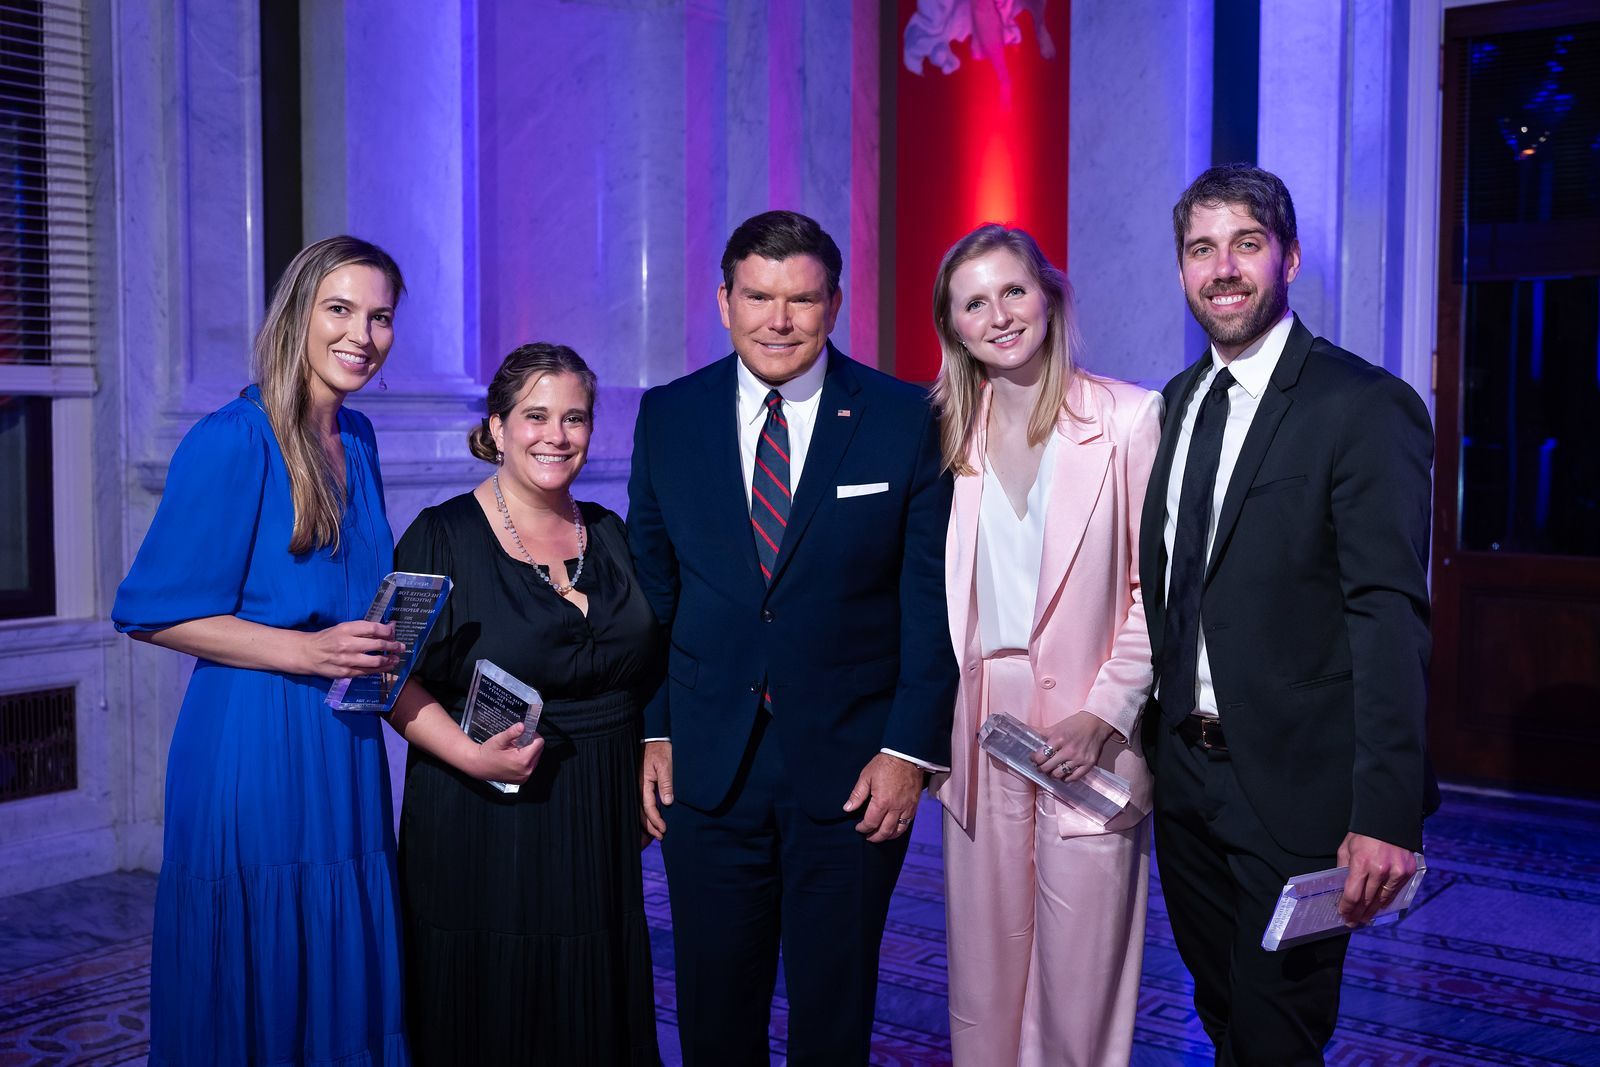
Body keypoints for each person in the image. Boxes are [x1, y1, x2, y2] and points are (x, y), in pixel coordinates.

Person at [628, 209, 958, 1064]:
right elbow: (651, 593)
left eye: (802, 299)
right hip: (706, 765)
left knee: (834, 1011)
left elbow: (930, 603)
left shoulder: (903, 417)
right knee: (713, 1008)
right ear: (724, 300)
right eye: (759, 297)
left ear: (835, 304)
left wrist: (908, 750)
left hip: (854, 771)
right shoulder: (669, 416)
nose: (779, 319)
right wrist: (654, 726)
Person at [1142, 164, 1436, 1065]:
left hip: (1300, 791)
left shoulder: (1362, 405)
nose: (1222, 268)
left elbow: (1387, 613)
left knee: (1278, 1036)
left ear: (1290, 258)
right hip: (1184, 782)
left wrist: (1387, 810)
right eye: (1201, 249)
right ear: (1183, 269)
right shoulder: (1178, 404)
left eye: (1246, 244)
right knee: (1224, 1012)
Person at [112, 235, 414, 1064]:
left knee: (337, 954)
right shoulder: (234, 438)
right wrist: (305, 653)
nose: (362, 333)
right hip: (252, 741)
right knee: (258, 958)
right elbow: (151, 612)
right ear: (297, 317)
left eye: (380, 316)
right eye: (341, 309)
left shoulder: (358, 440)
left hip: (342, 744)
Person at [386, 343, 661, 1065]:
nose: (556, 435)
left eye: (574, 417)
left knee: (591, 1002)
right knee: (495, 1009)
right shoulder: (439, 535)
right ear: (498, 426)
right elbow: (385, 677)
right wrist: (469, 754)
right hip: (483, 814)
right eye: (535, 415)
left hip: (598, 809)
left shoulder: (609, 531)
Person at [928, 224, 1161, 1066]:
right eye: (975, 302)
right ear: (953, 325)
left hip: (1088, 726)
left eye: (1014, 290)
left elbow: (1157, 593)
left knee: (1082, 977)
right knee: (984, 980)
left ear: (1051, 295)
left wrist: (1105, 713)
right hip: (981, 720)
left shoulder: (1132, 418)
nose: (999, 315)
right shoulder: (944, 435)